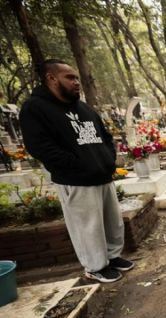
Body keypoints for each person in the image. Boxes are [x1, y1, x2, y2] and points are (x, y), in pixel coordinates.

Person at [19, 59, 134, 283]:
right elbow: (39, 146)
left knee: (112, 222)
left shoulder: (84, 108)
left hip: (102, 175)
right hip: (75, 180)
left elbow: (105, 136)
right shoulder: (35, 108)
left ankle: (112, 257)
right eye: (69, 77)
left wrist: (108, 160)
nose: (77, 82)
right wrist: (77, 164)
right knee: (87, 227)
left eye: (77, 77)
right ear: (51, 79)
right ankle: (95, 266)